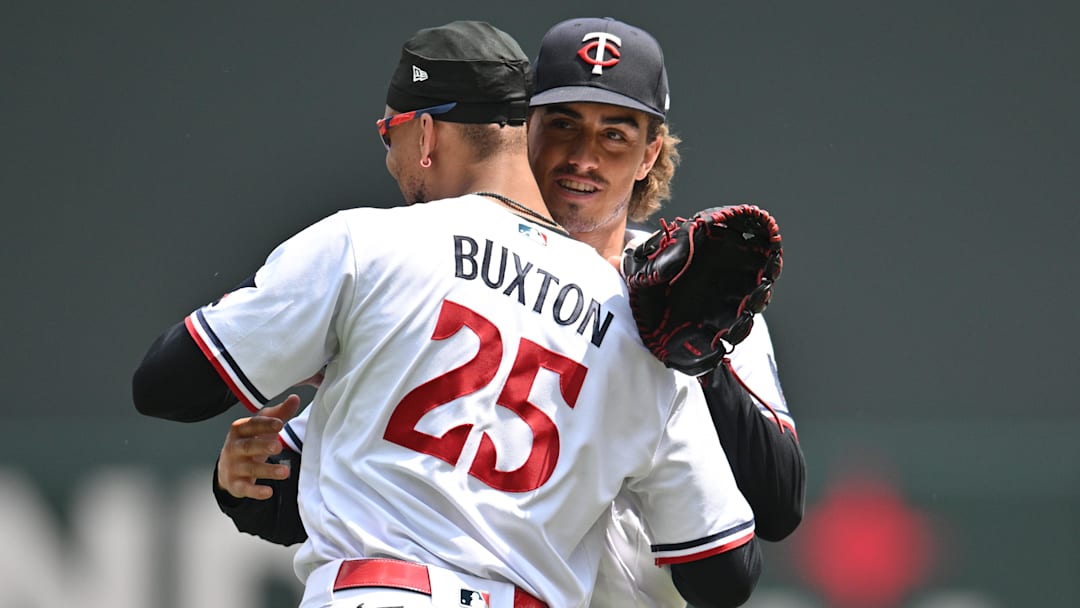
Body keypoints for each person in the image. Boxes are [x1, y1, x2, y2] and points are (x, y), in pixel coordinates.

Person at [132, 19, 761, 608]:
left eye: (391, 134)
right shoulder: (640, 332)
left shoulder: (369, 244)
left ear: (427, 132)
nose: (390, 158)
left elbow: (167, 385)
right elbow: (724, 573)